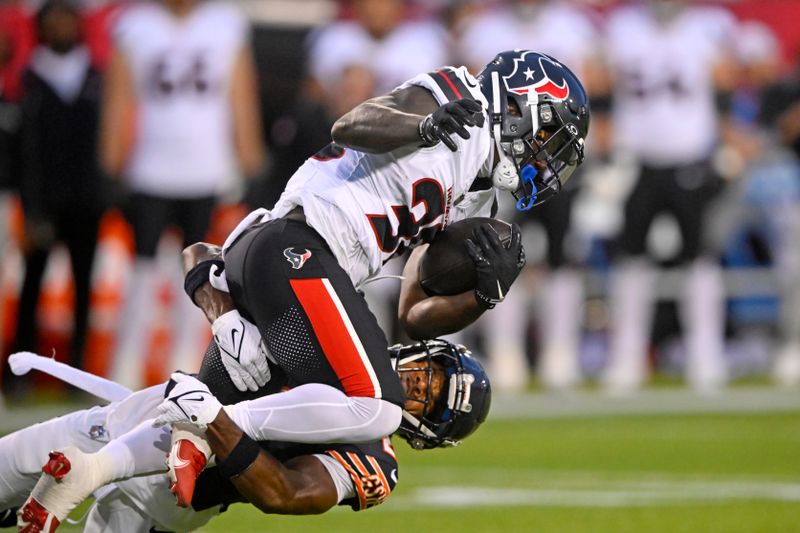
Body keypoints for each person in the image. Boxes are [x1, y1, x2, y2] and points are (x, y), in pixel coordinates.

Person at [18, 48, 590, 530]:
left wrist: (481, 293)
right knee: (373, 404)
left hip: (297, 273)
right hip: (299, 245)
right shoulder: (457, 98)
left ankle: (41, 469)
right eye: (554, 138)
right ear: (524, 107)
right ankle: (209, 420)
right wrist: (421, 126)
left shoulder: (478, 194)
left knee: (158, 457)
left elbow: (415, 312)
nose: (552, 160)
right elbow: (351, 124)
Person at [4, 339, 490, 531]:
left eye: (429, 395)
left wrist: (214, 420)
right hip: (130, 423)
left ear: (427, 429)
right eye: (428, 371)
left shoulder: (376, 459)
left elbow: (285, 492)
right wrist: (217, 294)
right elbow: (206, 258)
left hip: (166, 497)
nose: (415, 382)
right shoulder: (345, 331)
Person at [103, 0, 266, 390]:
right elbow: (119, 97)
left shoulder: (225, 24)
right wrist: (110, 163)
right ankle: (125, 365)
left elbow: (241, 96)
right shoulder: (135, 24)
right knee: (141, 273)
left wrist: (251, 162)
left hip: (206, 170)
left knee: (202, 276)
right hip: (150, 170)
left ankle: (188, 367)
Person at [598, 0, 739, 393]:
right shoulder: (623, 26)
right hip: (635, 158)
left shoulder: (710, 26)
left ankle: (705, 355)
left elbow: (725, 84)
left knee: (699, 256)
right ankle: (627, 358)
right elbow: (603, 83)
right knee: (630, 258)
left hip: (690, 155)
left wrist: (728, 141)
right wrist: (606, 144)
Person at [10, 0, 107, 387]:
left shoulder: (97, 76)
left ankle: (78, 372)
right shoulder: (29, 78)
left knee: (84, 287)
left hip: (86, 200)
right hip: (44, 200)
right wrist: (31, 207)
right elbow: (25, 151)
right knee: (31, 286)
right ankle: (20, 371)